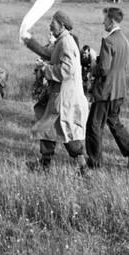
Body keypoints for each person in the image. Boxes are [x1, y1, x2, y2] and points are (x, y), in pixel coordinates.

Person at [23, 10, 89, 172]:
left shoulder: (66, 42)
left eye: (53, 22)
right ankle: (45, 165)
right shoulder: (62, 41)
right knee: (49, 128)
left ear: (62, 25)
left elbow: (67, 69)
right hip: (60, 96)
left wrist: (46, 69)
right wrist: (28, 40)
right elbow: (48, 53)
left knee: (66, 132)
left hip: (64, 98)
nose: (50, 25)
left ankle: (83, 167)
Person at [86, 7, 129, 168]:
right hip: (119, 90)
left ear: (112, 20)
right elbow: (116, 63)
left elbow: (103, 69)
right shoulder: (124, 39)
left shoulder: (108, 40)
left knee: (93, 126)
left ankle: (94, 162)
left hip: (105, 91)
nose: (103, 21)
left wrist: (94, 62)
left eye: (106, 19)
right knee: (114, 122)